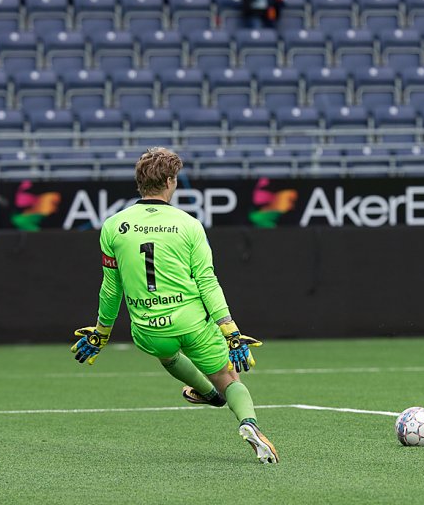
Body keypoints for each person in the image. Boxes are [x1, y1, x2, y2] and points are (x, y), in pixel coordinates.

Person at [70, 147, 279, 465]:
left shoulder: (114, 226)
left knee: (168, 355)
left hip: (149, 330)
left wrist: (100, 333)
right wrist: (230, 331)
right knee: (230, 379)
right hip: (192, 322)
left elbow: (111, 288)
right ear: (169, 181)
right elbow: (207, 282)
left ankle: (208, 395)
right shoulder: (189, 224)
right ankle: (249, 424)